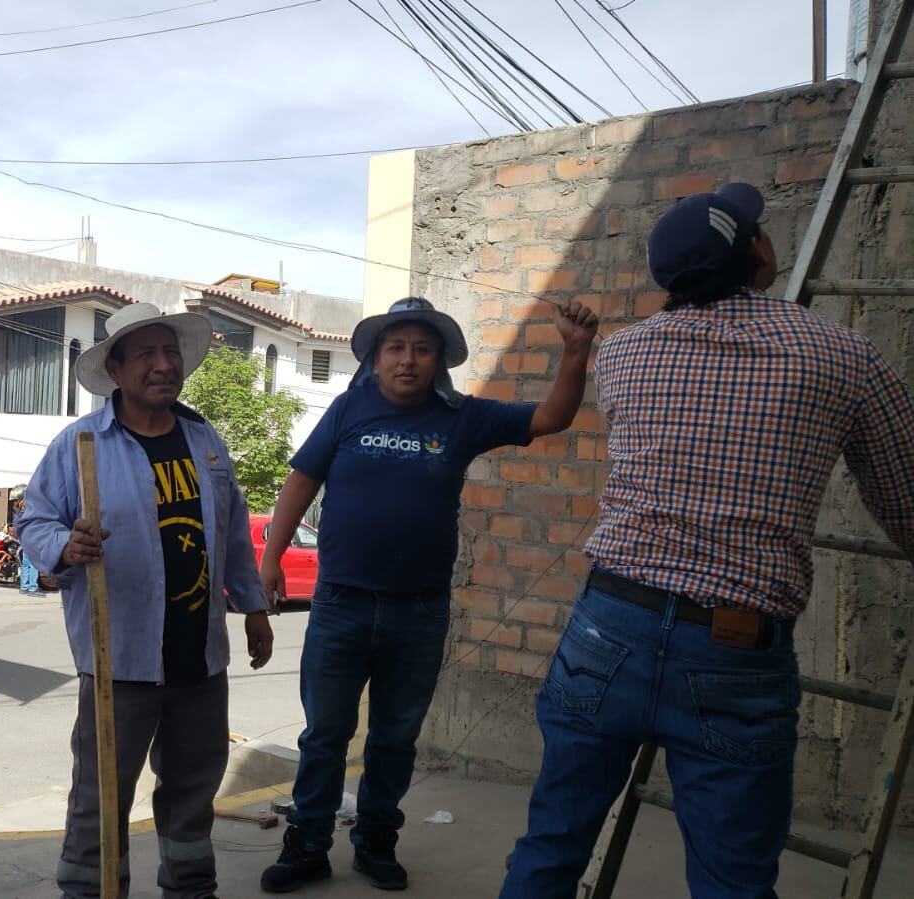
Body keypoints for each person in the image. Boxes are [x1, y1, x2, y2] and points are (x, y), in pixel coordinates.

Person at [500, 183, 914, 898]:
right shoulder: (843, 355)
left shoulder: (622, 356)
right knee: (732, 881)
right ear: (757, 249)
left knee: (551, 842)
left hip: (606, 628)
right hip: (733, 646)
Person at [259, 296, 598, 893]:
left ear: (438, 360)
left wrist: (574, 351)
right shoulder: (346, 410)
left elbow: (550, 418)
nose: (408, 360)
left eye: (421, 349)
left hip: (417, 612)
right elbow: (301, 480)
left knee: (394, 737)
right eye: (396, 348)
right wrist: (270, 561)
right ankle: (308, 843)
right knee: (324, 735)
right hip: (340, 605)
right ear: (375, 358)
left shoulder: (461, 417)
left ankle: (376, 842)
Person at [17, 301, 275, 899]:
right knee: (102, 794)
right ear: (115, 369)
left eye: (171, 352)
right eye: (147, 355)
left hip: (198, 659)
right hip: (120, 660)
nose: (163, 365)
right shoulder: (80, 443)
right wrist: (65, 544)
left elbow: (233, 533)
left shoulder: (205, 441)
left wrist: (254, 607)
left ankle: (190, 889)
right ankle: (90, 892)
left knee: (192, 791)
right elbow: (33, 521)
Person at [10, 485, 47, 597]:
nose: (16, 502)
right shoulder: (28, 508)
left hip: (24, 539)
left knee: (26, 563)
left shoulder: (20, 509)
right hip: (30, 538)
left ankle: (24, 587)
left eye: (16, 499)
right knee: (33, 563)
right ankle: (33, 588)